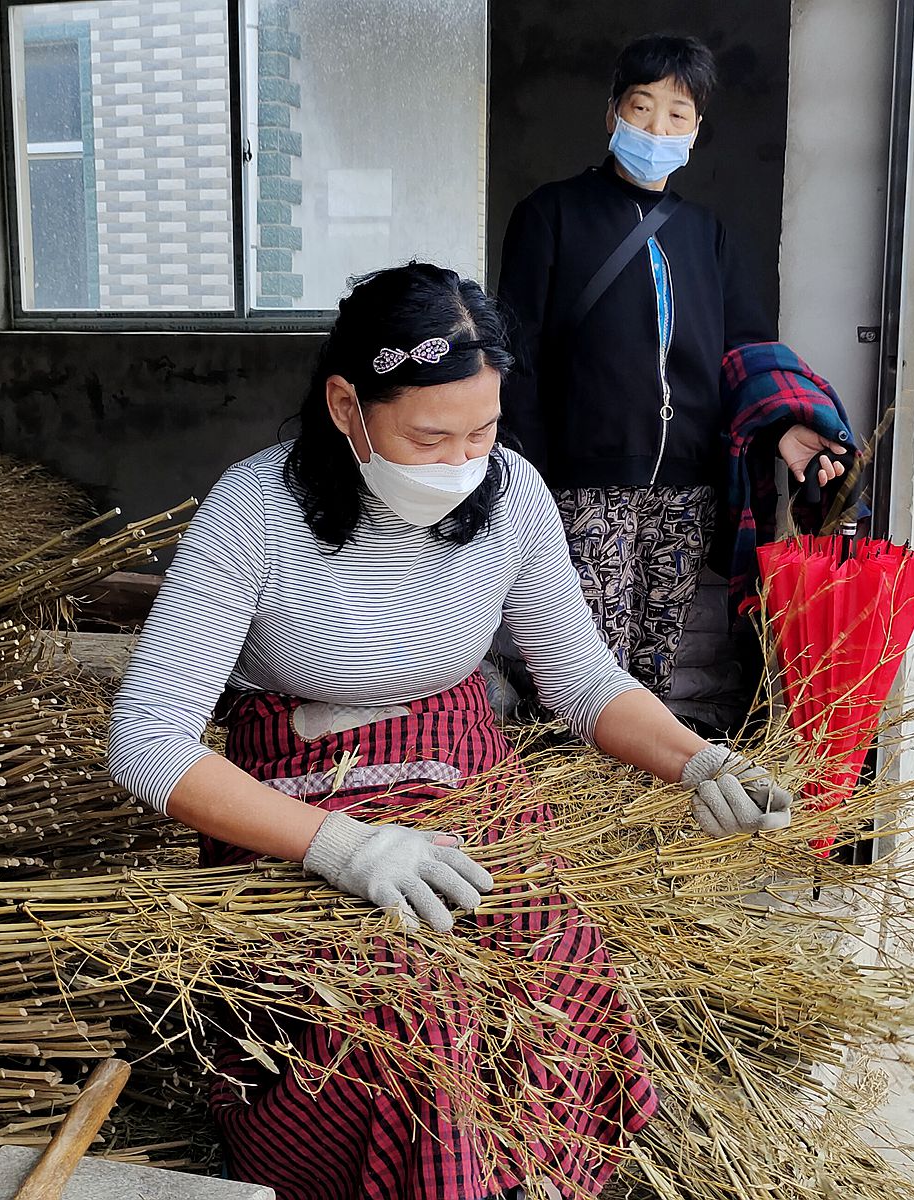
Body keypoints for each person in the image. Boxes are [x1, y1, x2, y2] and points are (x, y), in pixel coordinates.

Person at [107, 263, 795, 1200]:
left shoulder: (513, 495)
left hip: (464, 769)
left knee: (555, 955)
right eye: (427, 437)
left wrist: (698, 760)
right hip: (299, 794)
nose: (461, 463)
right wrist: (343, 848)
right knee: (412, 1011)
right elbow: (148, 739)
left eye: (482, 431)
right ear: (346, 406)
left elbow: (583, 678)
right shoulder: (254, 509)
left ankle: (527, 1176)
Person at [498, 33, 846, 697]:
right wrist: (530, 475)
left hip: (687, 483)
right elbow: (517, 353)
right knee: (588, 657)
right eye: (641, 107)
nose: (657, 128)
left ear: (695, 130)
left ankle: (644, 757)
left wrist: (783, 427)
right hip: (585, 480)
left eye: (676, 114)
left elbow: (746, 352)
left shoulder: (706, 234)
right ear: (612, 114)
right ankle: (580, 759)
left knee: (658, 653)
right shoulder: (550, 214)